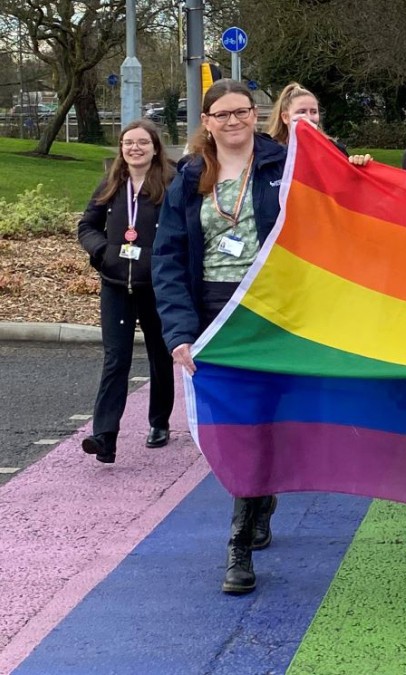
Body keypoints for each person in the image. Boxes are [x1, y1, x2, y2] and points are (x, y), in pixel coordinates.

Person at [153, 79, 285, 596]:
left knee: (261, 421)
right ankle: (242, 532)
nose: (234, 122)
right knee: (233, 426)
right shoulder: (188, 178)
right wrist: (179, 333)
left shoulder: (284, 165)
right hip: (212, 310)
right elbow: (166, 259)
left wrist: (358, 170)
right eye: (222, 114)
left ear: (256, 115)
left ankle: (251, 517)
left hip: (270, 313)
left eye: (243, 112)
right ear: (206, 122)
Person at [77, 119, 176, 464]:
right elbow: (87, 225)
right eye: (128, 143)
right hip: (117, 284)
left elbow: (184, 231)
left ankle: (159, 421)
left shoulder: (170, 181)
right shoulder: (112, 183)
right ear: (121, 149)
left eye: (142, 143)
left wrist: (162, 261)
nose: (135, 148)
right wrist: (102, 251)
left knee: (160, 355)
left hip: (157, 286)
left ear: (155, 147)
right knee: (115, 359)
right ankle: (104, 437)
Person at [267, 82, 372, 163]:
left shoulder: (334, 150)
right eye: (301, 111)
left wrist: (359, 165)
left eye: (313, 112)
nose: (308, 117)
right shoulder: (270, 152)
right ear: (285, 117)